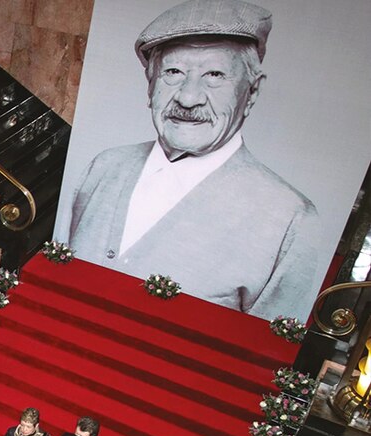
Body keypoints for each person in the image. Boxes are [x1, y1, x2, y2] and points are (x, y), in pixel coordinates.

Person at [64, 0, 318, 320]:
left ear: (251, 92)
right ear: (150, 85)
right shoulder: (105, 166)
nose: (188, 97)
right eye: (173, 72)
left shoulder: (291, 220)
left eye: (214, 75)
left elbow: (262, 358)